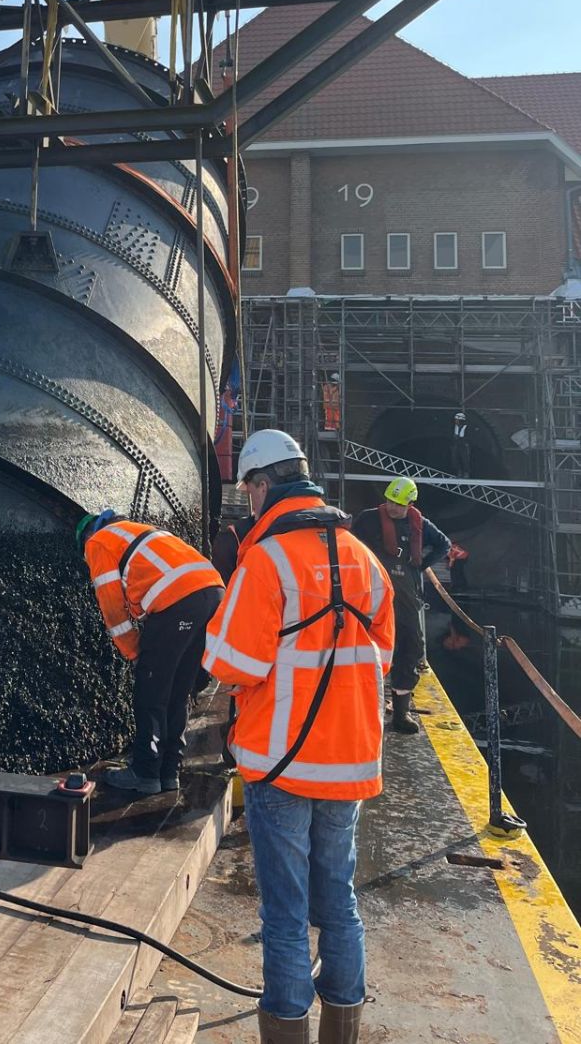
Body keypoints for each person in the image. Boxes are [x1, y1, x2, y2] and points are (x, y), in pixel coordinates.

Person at [201, 430, 394, 1044]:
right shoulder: (365, 559)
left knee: (284, 914)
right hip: (350, 762)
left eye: (250, 489)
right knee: (339, 903)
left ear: (262, 486)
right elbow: (382, 659)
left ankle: (287, 1028)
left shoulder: (266, 561)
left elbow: (232, 664)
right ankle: (343, 1027)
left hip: (281, 763)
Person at [78, 510, 223, 796]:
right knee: (179, 688)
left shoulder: (98, 542)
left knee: (151, 690)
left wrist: (134, 652)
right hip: (213, 594)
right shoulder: (141, 532)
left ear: (87, 536)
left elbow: (112, 609)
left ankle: (145, 772)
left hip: (178, 600)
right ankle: (169, 771)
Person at [350, 479, 450, 734]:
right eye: (390, 501)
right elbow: (348, 544)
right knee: (362, 642)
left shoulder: (419, 525)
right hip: (370, 589)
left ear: (410, 503)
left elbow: (444, 545)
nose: (393, 507)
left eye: (399, 504)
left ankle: (401, 712)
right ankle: (359, 704)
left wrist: (421, 564)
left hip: (405, 594)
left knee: (410, 645)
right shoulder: (368, 519)